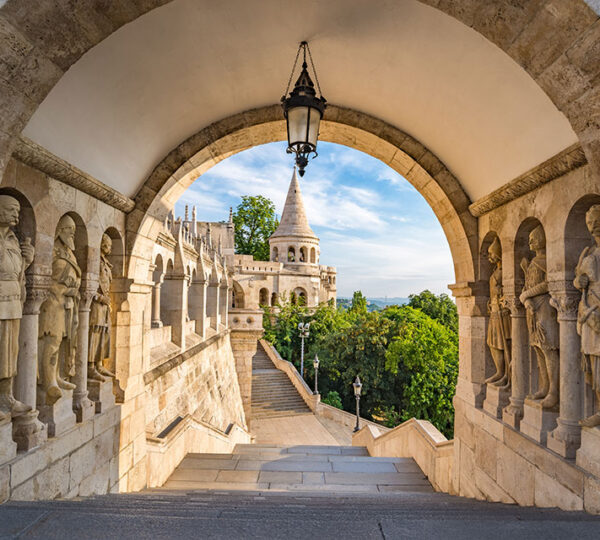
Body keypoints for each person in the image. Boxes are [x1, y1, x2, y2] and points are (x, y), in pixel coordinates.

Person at [38, 215, 81, 404]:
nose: (72, 232)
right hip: (53, 303)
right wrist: (65, 288)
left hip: (68, 304)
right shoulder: (53, 251)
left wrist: (73, 287)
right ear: (60, 230)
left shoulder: (70, 253)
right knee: (52, 342)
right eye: (68, 229)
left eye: (74, 229)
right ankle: (48, 382)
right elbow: (45, 280)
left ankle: (57, 377)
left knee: (63, 341)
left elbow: (76, 278)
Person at [0, 195, 34, 418]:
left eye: (18, 211)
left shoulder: (13, 239)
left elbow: (16, 273)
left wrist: (27, 262)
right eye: (12, 210)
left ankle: (6, 397)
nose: (16, 215)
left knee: (9, 353)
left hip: (12, 301)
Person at [520, 225, 559, 409]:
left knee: (548, 348)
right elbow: (526, 288)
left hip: (545, 308)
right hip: (532, 311)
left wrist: (527, 296)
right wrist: (526, 299)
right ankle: (544, 387)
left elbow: (548, 284)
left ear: (542, 239)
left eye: (533, 238)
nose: (530, 242)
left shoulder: (545, 261)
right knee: (537, 349)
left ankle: (554, 391)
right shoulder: (533, 262)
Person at [575, 204, 600, 427]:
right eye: (591, 222)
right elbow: (577, 279)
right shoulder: (588, 252)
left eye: (597, 220)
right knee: (593, 366)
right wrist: (579, 282)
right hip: (590, 314)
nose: (594, 225)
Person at [88, 234, 115, 382]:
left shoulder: (105, 263)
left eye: (110, 245)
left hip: (104, 306)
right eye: (107, 245)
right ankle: (90, 367)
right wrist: (99, 297)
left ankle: (99, 364)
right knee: (94, 333)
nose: (109, 248)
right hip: (96, 305)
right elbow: (89, 285)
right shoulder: (96, 262)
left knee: (104, 333)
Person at [485, 237, 511, 388]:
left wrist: (503, 298)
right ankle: (499, 372)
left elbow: (511, 288)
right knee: (493, 343)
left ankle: (506, 375)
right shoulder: (496, 270)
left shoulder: (505, 271)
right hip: (494, 311)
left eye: (491, 254)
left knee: (504, 344)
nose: (489, 257)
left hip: (503, 314)